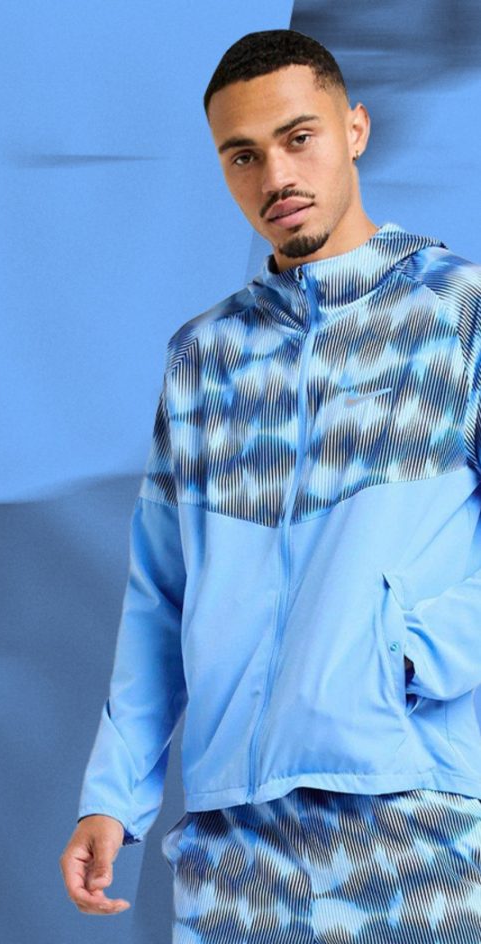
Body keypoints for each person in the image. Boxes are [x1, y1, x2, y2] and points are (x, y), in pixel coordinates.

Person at [59, 28, 481, 941]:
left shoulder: (456, 312)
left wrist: (411, 657)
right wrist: (114, 797)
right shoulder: (204, 357)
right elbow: (160, 595)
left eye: (300, 138)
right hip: (233, 843)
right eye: (243, 155)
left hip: (414, 824)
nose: (276, 177)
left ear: (355, 129)